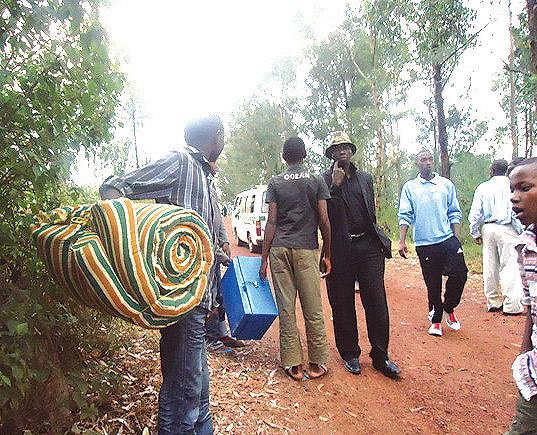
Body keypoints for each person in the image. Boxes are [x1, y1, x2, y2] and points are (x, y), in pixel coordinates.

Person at [99, 114, 225, 435]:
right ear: (216, 136)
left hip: (200, 298)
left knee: (195, 387)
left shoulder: (204, 174)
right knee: (184, 390)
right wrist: (135, 249)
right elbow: (116, 187)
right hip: (180, 298)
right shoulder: (180, 163)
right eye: (224, 137)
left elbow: (199, 239)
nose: (224, 143)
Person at [320, 131, 400, 379]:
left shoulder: (365, 178)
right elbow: (326, 217)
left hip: (367, 246)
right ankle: (350, 354)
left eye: (345, 146)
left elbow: (370, 212)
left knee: (376, 301)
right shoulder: (323, 181)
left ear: (352, 151)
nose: (341, 150)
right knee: (342, 302)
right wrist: (336, 185)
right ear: (331, 154)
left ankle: (380, 356)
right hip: (339, 249)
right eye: (336, 148)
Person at [259, 137, 331, 381]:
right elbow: (323, 219)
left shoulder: (275, 182)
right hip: (306, 249)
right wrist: (327, 253)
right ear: (305, 155)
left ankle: (293, 364)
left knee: (286, 308)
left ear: (283, 157)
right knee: (312, 307)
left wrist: (264, 259)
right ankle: (317, 362)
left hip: (280, 249)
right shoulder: (316, 181)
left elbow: (271, 222)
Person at [398, 149, 468, 337]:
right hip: (424, 242)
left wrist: (456, 238)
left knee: (460, 273)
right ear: (417, 164)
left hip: (447, 238)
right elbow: (405, 214)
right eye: (423, 160)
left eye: (430, 159)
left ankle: (449, 306)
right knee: (433, 282)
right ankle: (436, 321)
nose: (428, 162)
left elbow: (454, 211)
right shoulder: (410, 187)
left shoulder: (445, 185)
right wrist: (402, 240)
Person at [468, 159, 524, 315]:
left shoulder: (483, 187)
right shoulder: (512, 186)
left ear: (491, 170)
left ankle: (493, 301)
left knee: (490, 266)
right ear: (506, 170)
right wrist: (522, 231)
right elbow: (516, 211)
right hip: (507, 228)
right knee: (509, 266)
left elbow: (475, 214)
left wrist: (475, 232)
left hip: (488, 228)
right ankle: (512, 305)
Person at [506, 157, 537, 433]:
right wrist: (523, 357)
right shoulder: (525, 246)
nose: (514, 198)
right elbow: (531, 310)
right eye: (512, 190)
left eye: (524, 188)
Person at [205, 161, 245, 352]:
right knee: (210, 296)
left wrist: (225, 240)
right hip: (204, 252)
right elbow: (203, 233)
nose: (217, 168)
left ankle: (221, 333)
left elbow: (218, 219)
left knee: (219, 293)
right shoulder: (200, 187)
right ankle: (210, 339)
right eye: (214, 164)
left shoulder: (211, 188)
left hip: (215, 250)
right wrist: (222, 256)